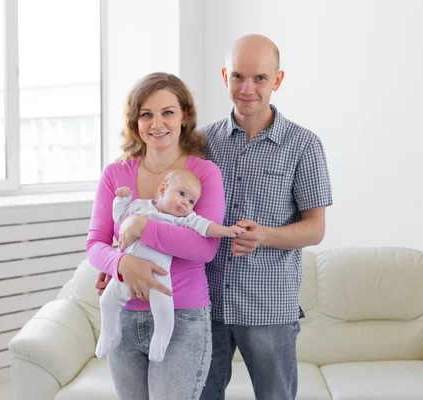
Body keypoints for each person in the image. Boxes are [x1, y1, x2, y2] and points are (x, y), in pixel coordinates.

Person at [97, 34, 333, 400]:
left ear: (278, 80)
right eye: (238, 76)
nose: (247, 88)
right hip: (207, 303)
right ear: (225, 76)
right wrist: (120, 261)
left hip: (267, 302)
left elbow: (316, 229)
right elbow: (162, 213)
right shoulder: (202, 142)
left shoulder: (303, 145)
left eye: (260, 78)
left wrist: (265, 236)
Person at [86, 72, 226, 399]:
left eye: (167, 112)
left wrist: (143, 228)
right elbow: (95, 245)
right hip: (123, 318)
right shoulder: (115, 175)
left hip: (183, 318)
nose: (156, 123)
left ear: (184, 117)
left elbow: (203, 247)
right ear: (135, 121)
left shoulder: (203, 174)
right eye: (146, 114)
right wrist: (122, 264)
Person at [96, 168, 244, 362]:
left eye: (191, 201)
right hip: (127, 273)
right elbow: (120, 217)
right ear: (163, 188)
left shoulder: (184, 219)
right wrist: (121, 201)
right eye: (182, 194)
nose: (185, 202)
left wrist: (227, 231)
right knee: (107, 301)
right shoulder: (141, 206)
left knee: (164, 310)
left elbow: (207, 228)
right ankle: (109, 332)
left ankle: (160, 340)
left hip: (159, 279)